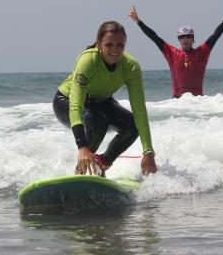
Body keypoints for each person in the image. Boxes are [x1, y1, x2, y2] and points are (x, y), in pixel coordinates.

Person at [52, 21, 157, 177]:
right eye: (109, 45)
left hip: (102, 101)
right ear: (99, 43)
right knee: (98, 121)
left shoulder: (131, 67)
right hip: (66, 102)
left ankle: (102, 165)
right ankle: (80, 172)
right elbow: (75, 106)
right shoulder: (87, 61)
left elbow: (139, 110)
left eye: (120, 45)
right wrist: (82, 147)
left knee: (132, 126)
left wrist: (148, 152)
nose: (115, 50)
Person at [128, 0, 223, 98]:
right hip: (178, 104)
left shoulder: (202, 52)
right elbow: (154, 37)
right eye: (182, 37)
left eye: (188, 36)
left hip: (199, 103)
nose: (185, 39)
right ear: (178, 39)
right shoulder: (171, 53)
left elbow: (216, 34)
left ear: (193, 39)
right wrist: (138, 21)